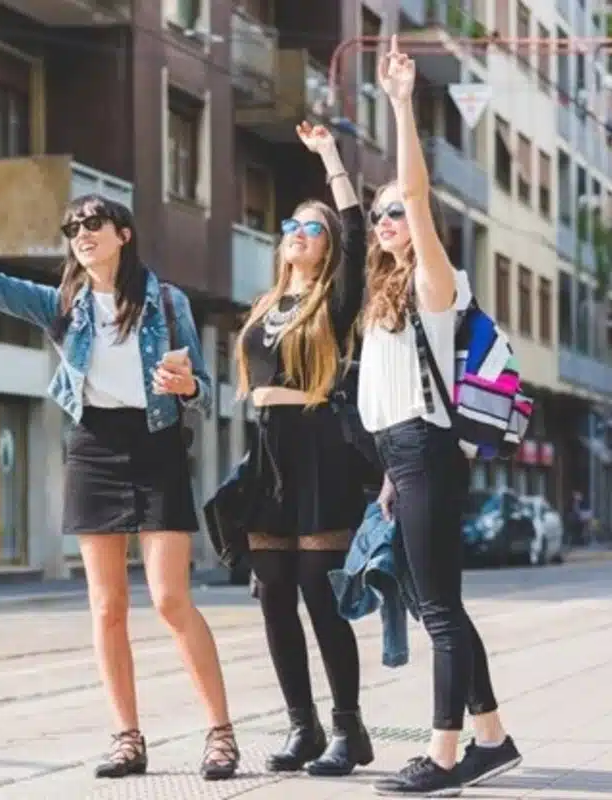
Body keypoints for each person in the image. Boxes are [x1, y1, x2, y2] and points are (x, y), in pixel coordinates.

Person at [0, 132, 239, 781]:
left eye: (94, 223)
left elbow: (205, 395)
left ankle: (221, 733)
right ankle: (127, 737)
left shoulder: (168, 303)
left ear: (122, 233)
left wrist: (189, 388)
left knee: (172, 599)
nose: (82, 234)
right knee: (105, 605)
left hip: (154, 447)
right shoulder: (62, 306)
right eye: (73, 228)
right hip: (94, 448)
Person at [359, 39, 522, 796]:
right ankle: (491, 737)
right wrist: (392, 476)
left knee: (439, 610)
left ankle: (446, 753)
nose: (387, 218)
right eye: (378, 213)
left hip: (425, 449)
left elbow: (418, 197)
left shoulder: (436, 283)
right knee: (438, 604)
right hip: (404, 456)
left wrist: (399, 104)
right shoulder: (383, 295)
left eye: (396, 211)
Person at [233, 121, 374, 777]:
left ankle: (351, 731)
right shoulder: (265, 304)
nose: (298, 232)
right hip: (267, 456)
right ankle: (303, 728)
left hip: (318, 452)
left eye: (312, 228)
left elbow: (357, 225)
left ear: (329, 246)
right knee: (271, 592)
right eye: (292, 224)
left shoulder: (336, 301)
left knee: (321, 592)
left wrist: (330, 160)